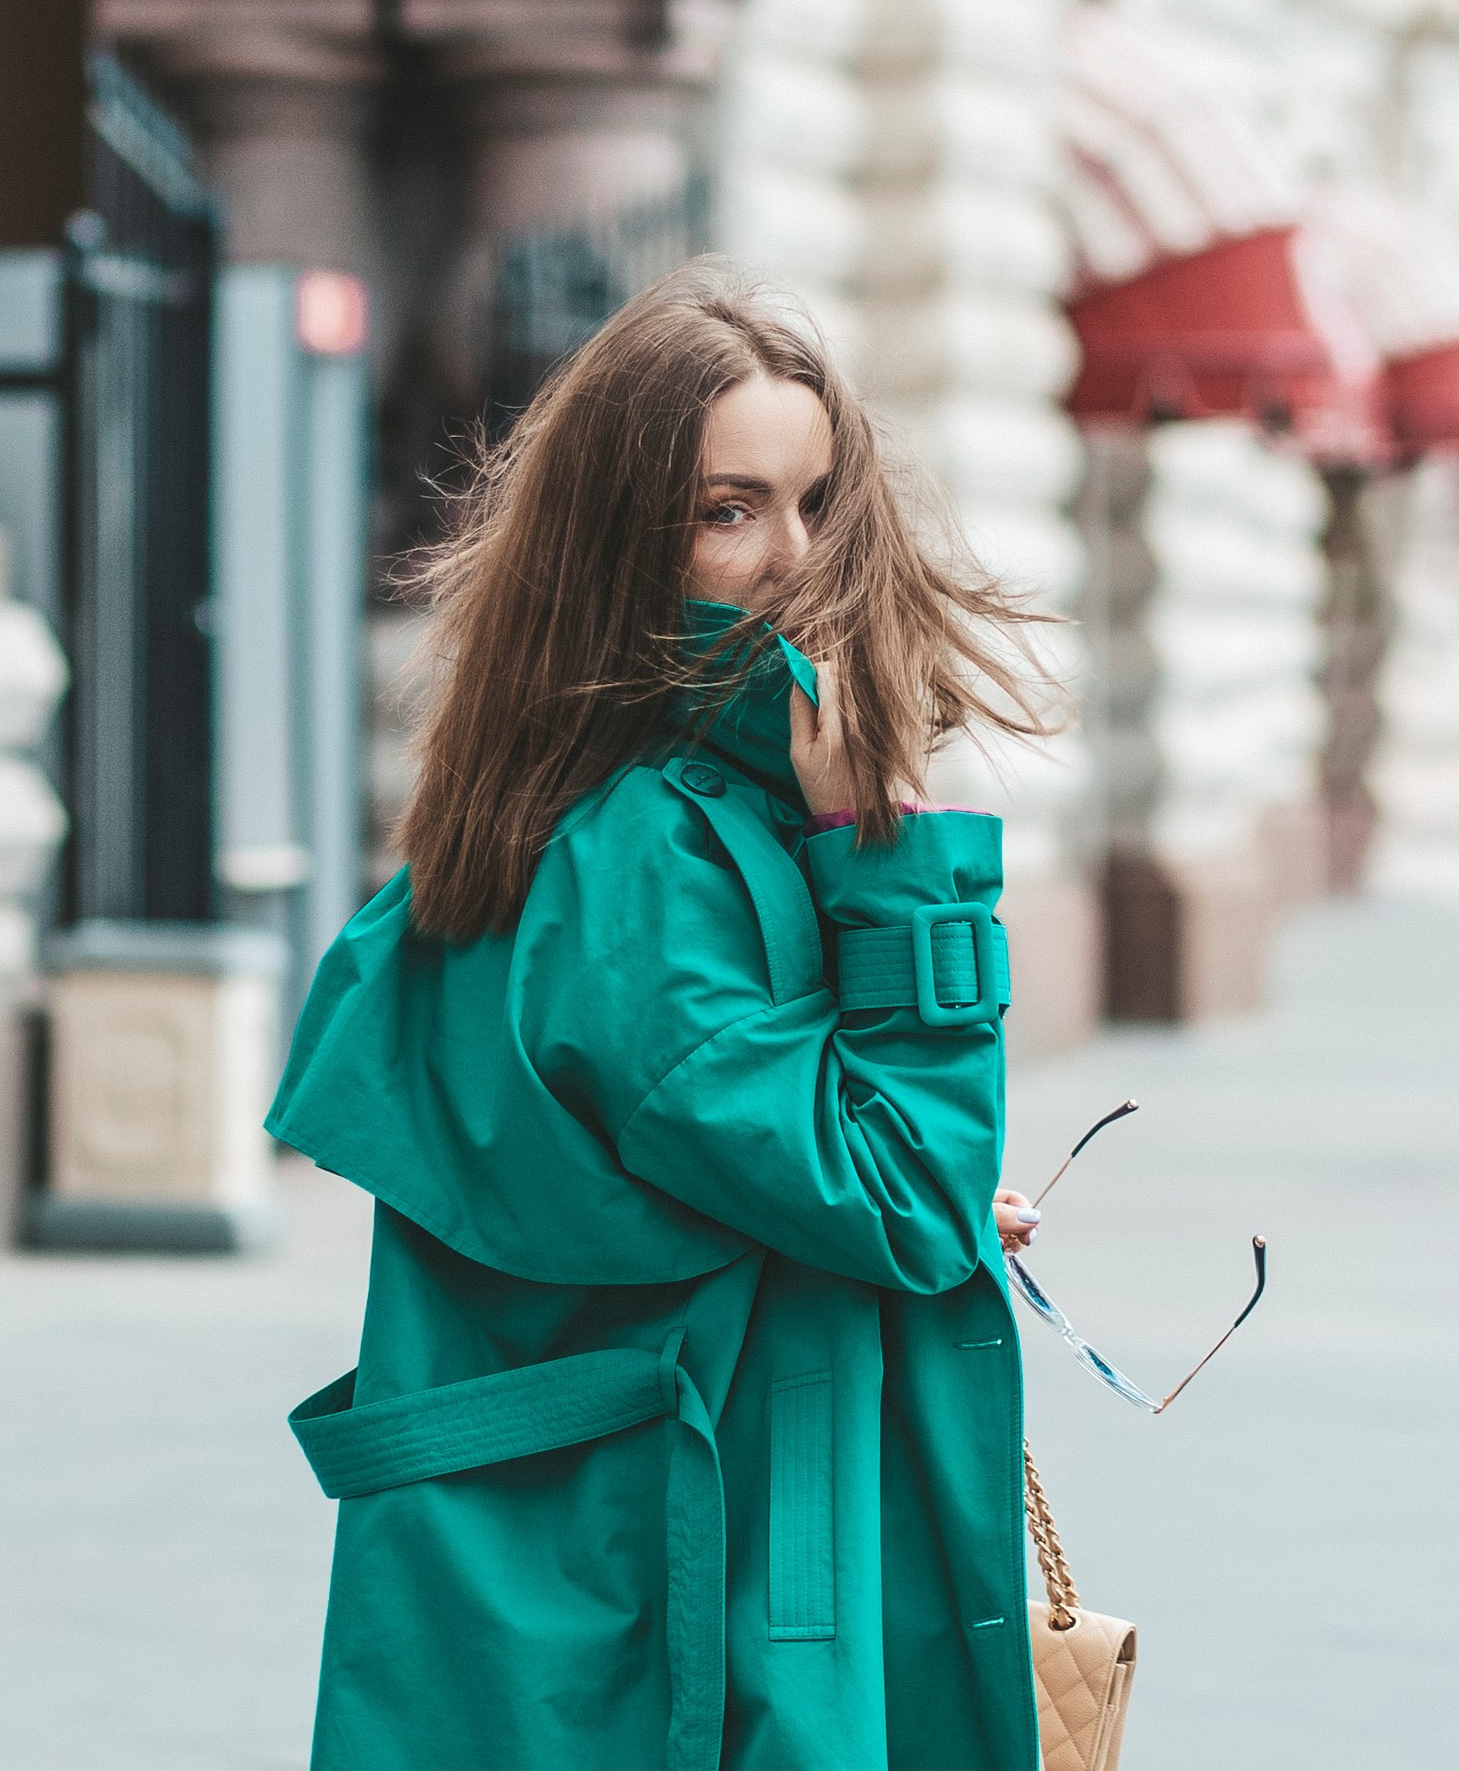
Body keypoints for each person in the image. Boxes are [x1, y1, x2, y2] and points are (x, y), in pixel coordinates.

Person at [269, 260, 1059, 1771]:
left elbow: (722, 1158)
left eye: (819, 498)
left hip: (651, 1566)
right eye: (729, 508)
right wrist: (893, 872)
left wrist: (873, 1177)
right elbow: (895, 1197)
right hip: (705, 1596)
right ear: (624, 540)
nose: (795, 557)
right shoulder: (660, 857)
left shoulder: (638, 810)